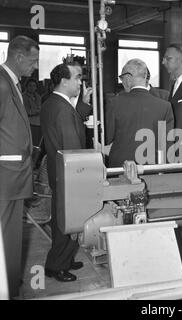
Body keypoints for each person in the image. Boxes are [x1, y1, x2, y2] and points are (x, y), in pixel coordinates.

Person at [40, 63, 89, 282]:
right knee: (67, 222)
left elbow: (73, 122)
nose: (80, 82)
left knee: (66, 218)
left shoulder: (55, 103)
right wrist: (84, 173)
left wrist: (83, 105)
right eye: (77, 78)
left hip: (59, 172)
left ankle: (66, 259)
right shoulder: (61, 108)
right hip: (69, 174)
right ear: (64, 80)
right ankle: (55, 266)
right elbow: (72, 146)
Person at [0, 35, 39, 298]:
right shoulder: (2, 84)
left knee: (11, 235)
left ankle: (10, 283)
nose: (35, 67)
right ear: (19, 56)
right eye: (34, 61)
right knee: (5, 236)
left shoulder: (11, 83)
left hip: (13, 174)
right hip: (5, 175)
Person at [106, 59, 174, 167]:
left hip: (121, 166)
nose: (122, 82)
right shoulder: (165, 106)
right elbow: (166, 144)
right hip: (151, 166)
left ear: (128, 78)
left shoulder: (115, 103)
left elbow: (107, 138)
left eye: (122, 78)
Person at [23, 78, 42, 145]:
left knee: (38, 143)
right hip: (29, 123)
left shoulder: (38, 97)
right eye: (30, 85)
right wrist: (37, 111)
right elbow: (27, 111)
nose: (32, 87)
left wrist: (37, 111)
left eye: (34, 85)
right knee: (31, 144)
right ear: (26, 86)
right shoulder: (23, 97)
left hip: (39, 123)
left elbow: (40, 109)